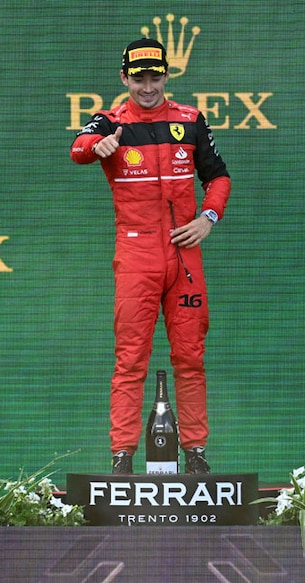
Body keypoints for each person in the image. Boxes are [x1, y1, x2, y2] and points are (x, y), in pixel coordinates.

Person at [70, 38, 231, 474]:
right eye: (138, 77)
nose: (147, 86)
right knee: (130, 358)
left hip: (184, 256)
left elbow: (218, 177)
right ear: (124, 78)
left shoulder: (191, 120)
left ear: (166, 75)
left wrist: (208, 218)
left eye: (154, 76)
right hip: (136, 255)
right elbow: (78, 149)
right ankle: (122, 457)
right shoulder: (109, 122)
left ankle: (195, 452)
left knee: (191, 357)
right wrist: (97, 147)